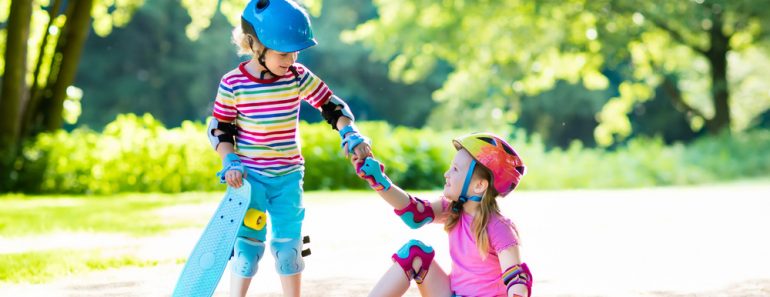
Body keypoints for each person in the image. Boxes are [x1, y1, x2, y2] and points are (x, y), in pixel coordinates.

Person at [206, 0, 372, 296]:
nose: (291, 59)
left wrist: (350, 132)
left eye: (295, 52)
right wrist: (230, 161)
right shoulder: (233, 84)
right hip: (250, 179)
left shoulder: (297, 76)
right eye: (284, 53)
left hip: (288, 177)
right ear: (253, 43)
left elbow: (329, 104)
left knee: (289, 249)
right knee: (247, 249)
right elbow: (221, 129)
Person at [352, 132, 532, 297]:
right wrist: (378, 179)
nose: (447, 174)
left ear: (479, 186)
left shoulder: (499, 227)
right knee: (415, 253)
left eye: (455, 169)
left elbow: (517, 279)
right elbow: (415, 214)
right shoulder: (454, 208)